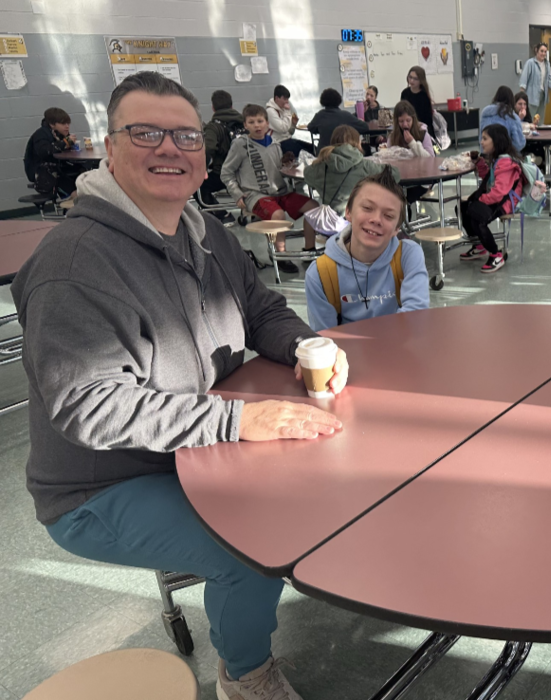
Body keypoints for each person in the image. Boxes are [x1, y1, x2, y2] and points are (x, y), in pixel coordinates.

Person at [10, 70, 346, 700]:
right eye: (146, 133)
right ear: (109, 148)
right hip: (104, 488)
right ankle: (245, 676)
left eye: (186, 136)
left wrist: (305, 345)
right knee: (249, 548)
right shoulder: (75, 265)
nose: (170, 149)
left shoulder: (202, 231)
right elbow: (89, 406)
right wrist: (238, 422)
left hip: (193, 449)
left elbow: (260, 306)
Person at [305, 169, 428, 330]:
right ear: (348, 212)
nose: (376, 219)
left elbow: (415, 317)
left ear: (397, 229)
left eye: (388, 216)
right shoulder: (321, 274)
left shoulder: (408, 255)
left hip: (399, 349)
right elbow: (326, 339)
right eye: (368, 208)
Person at [221, 103, 319, 271]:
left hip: (280, 191)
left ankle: (309, 250)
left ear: (267, 123)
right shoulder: (240, 145)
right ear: (245, 125)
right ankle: (281, 256)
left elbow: (278, 170)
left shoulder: (275, 144)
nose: (257, 126)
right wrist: (237, 194)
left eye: (260, 121)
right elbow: (226, 172)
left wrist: (289, 166)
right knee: (278, 214)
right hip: (256, 195)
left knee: (313, 206)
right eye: (251, 122)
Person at [457, 124, 524, 273]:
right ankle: (480, 245)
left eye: (485, 138)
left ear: (497, 141)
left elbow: (499, 192)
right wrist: (479, 163)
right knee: (462, 207)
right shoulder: (498, 159)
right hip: (496, 198)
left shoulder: (506, 162)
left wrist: (481, 200)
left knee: (476, 217)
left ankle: (495, 254)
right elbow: (489, 178)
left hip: (505, 202)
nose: (481, 142)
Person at [303, 125, 399, 215]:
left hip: (329, 220)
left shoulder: (321, 165)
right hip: (358, 219)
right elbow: (395, 174)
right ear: (358, 143)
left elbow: (307, 175)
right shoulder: (364, 165)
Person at [198, 89, 245, 219]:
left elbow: (208, 149)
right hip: (247, 174)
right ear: (232, 105)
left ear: (213, 108)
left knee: (198, 185)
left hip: (224, 174)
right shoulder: (246, 123)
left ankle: (222, 215)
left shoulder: (213, 127)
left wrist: (202, 169)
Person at [23, 107, 80, 198]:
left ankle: (76, 200)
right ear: (52, 124)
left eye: (68, 123)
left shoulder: (60, 134)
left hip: (57, 168)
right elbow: (45, 151)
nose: (67, 126)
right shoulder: (41, 134)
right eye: (63, 123)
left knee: (81, 172)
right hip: (41, 172)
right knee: (66, 182)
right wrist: (65, 143)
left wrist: (70, 145)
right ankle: (75, 199)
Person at [265, 84, 313, 157]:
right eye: (284, 99)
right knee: (304, 153)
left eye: (287, 99)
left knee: (312, 148)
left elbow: (290, 132)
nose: (287, 102)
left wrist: (293, 124)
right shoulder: (270, 111)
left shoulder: (283, 108)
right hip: (278, 142)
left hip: (288, 139)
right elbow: (283, 129)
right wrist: (287, 112)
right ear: (277, 98)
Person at [519, 43, 551, 123]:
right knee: (531, 119)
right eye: (541, 51)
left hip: (543, 96)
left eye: (545, 52)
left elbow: (549, 81)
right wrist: (522, 97)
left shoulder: (547, 64)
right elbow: (524, 80)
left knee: (540, 120)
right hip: (531, 96)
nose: (543, 53)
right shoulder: (530, 63)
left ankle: (540, 134)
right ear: (536, 50)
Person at [480, 86, 527, 151]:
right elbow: (519, 144)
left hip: (486, 155)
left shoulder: (485, 114)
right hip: (505, 157)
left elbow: (481, 139)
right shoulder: (512, 117)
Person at [400, 66, 436, 142]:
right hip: (408, 128)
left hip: (422, 129)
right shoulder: (405, 93)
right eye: (410, 77)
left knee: (430, 151)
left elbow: (428, 119)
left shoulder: (424, 95)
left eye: (415, 79)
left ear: (421, 80)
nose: (412, 80)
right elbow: (401, 112)